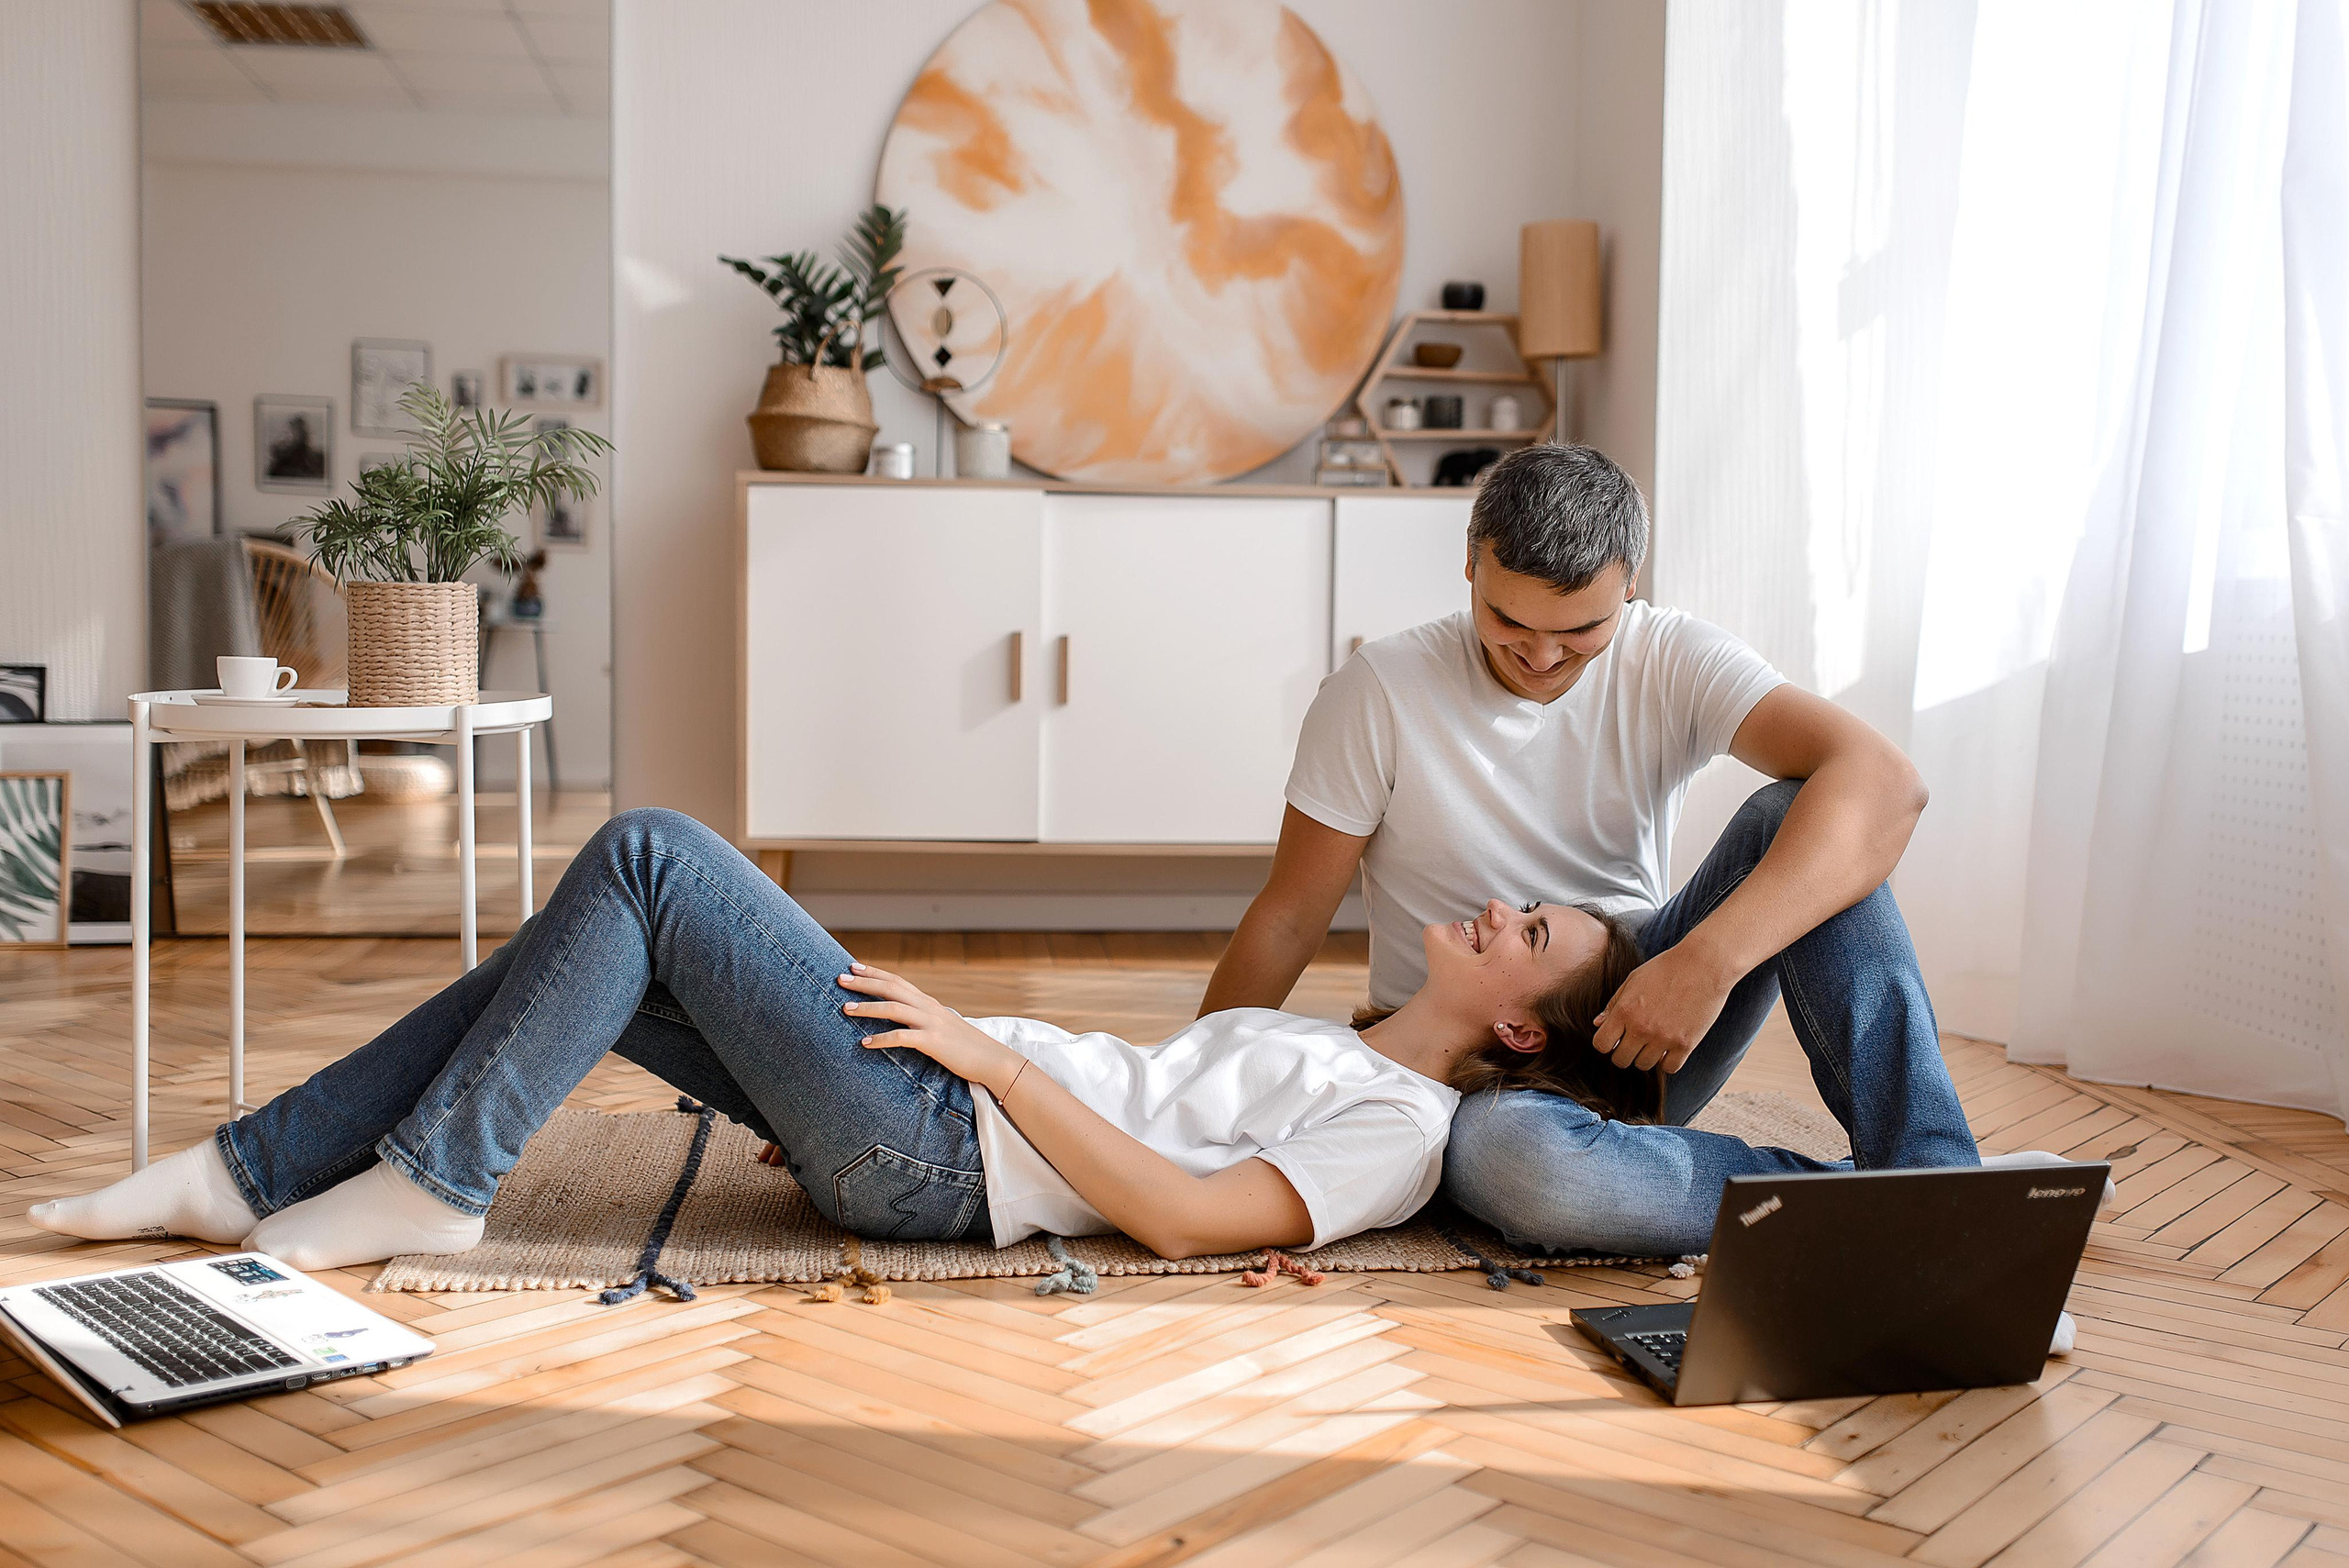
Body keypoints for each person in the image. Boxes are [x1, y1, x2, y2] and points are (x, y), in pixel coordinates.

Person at [32, 810, 1643, 1272]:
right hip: (921, 1102)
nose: (1507, 905)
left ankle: (434, 1180)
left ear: (1520, 1019)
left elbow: (1184, 1216)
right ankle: (242, 1173)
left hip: (936, 1144)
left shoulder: (1406, 1133)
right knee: (574, 959)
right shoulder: (1348, 1042)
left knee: (653, 853)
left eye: (1542, 931)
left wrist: (982, 1063)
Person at [1202, 442, 2079, 1263]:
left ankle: (1940, 1189)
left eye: (1580, 630)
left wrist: (1703, 963)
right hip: (1472, 1063)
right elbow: (1287, 918)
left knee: (1811, 809)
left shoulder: (1672, 656)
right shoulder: (1379, 692)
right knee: (1524, 1169)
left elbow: (1888, 784)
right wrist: (1203, 1091)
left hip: (1645, 1021)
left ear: (1630, 587)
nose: (1541, 656)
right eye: (1509, 619)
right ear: (1470, 562)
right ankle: (1907, 1192)